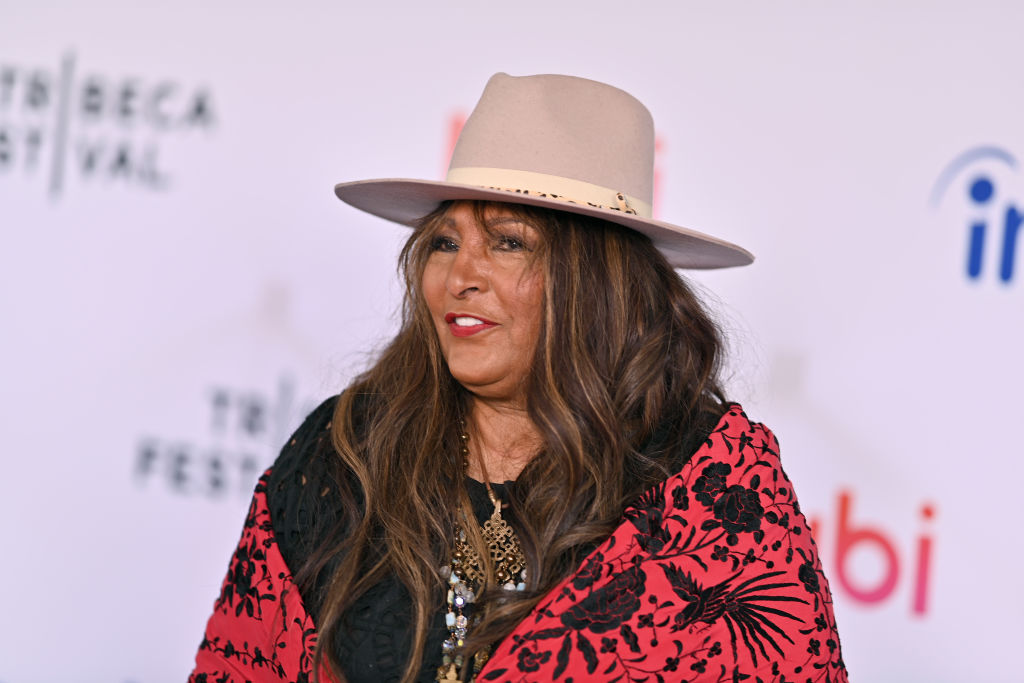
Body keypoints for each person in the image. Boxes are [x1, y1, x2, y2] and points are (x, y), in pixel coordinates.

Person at [190, 73, 848, 683]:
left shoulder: (709, 490)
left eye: (507, 242)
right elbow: (239, 659)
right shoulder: (347, 449)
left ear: (596, 282)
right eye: (445, 242)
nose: (459, 276)